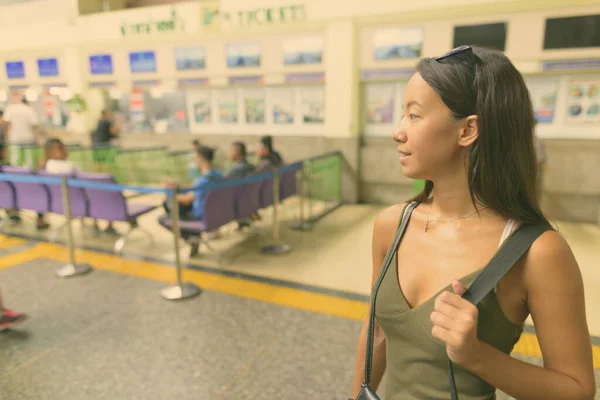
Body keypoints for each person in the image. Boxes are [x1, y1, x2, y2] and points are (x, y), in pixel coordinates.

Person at [351, 46, 595, 400]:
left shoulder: (538, 252)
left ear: (467, 130)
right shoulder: (392, 225)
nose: (397, 132)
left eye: (414, 116)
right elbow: (376, 332)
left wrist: (477, 357)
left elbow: (577, 390)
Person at [161, 146, 223, 223]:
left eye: (195, 158)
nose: (194, 160)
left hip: (201, 216)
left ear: (200, 158)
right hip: (215, 213)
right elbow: (197, 188)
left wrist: (170, 195)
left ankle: (191, 235)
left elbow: (187, 200)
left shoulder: (202, 180)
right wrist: (177, 185)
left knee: (163, 217)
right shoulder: (219, 175)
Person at [3, 97, 39, 167]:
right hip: (28, 136)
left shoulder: (11, 108)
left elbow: (5, 122)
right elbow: (34, 125)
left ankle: (14, 170)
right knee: (28, 158)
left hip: (14, 136)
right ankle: (28, 171)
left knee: (14, 156)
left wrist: (6, 134)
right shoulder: (29, 110)